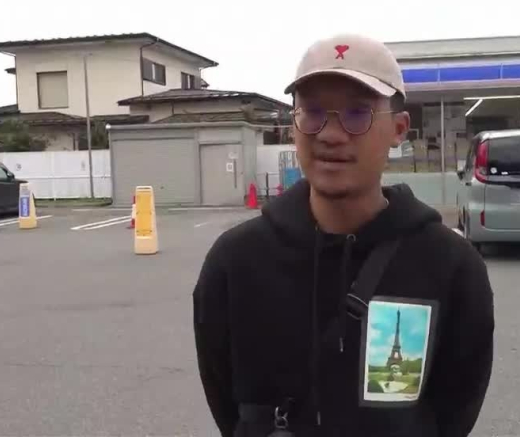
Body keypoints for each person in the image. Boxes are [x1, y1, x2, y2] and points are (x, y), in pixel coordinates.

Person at [193, 33, 495, 437]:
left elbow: (455, 408)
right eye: (313, 112)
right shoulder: (236, 261)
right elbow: (228, 404)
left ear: (399, 129)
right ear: (294, 124)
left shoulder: (450, 265)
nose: (330, 134)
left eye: (357, 113)